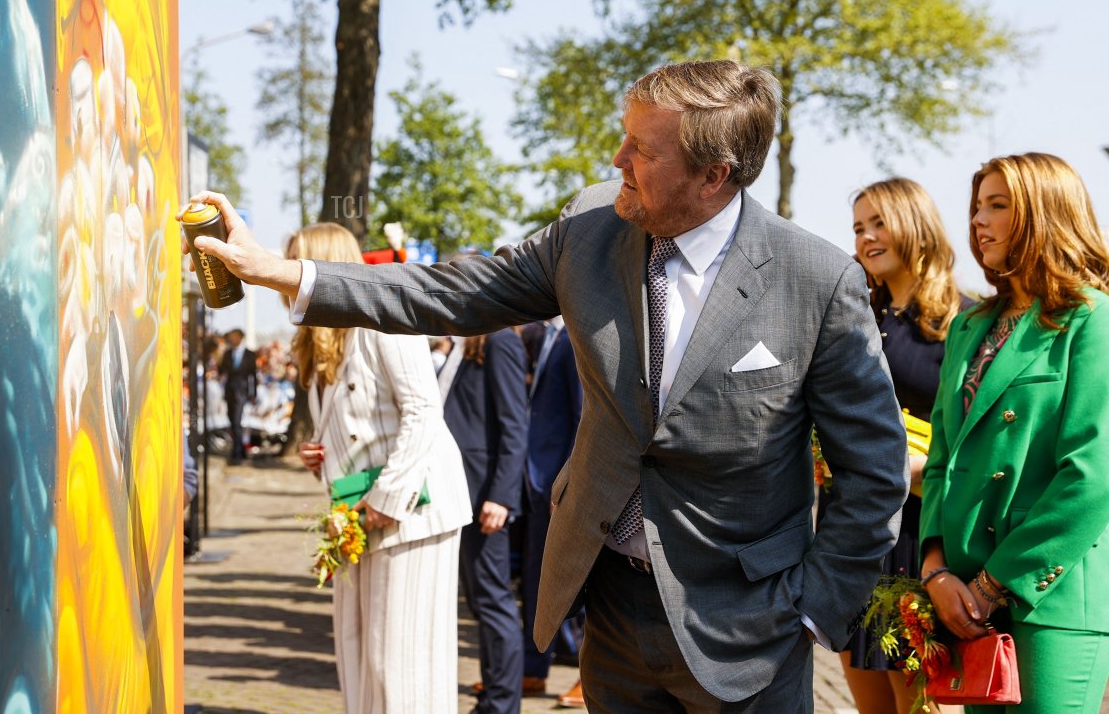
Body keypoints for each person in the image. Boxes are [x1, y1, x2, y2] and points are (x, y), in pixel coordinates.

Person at [183, 59, 909, 712]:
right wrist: (282, 272)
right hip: (612, 613)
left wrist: (813, 609)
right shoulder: (591, 226)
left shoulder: (815, 281)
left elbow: (873, 472)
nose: (617, 159)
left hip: (752, 628)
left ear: (713, 175)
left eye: (641, 150)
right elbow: (454, 293)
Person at [919, 153, 1109, 713]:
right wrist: (936, 569)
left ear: (1044, 212)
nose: (978, 220)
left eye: (997, 206)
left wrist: (990, 586)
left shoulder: (1091, 317)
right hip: (969, 597)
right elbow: (941, 457)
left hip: (1046, 597)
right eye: (977, 206)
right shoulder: (970, 324)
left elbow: (1093, 475)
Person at [284, 223, 472, 714]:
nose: (284, 279)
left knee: (401, 665)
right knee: (359, 657)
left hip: (412, 514)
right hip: (357, 516)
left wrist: (386, 500)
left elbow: (423, 410)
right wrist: (319, 455)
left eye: (293, 265)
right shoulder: (320, 344)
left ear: (322, 269)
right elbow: (358, 423)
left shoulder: (382, 319)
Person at [828, 178, 970, 714]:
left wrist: (923, 468)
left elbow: (977, 437)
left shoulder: (961, 320)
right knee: (869, 699)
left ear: (915, 223)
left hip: (917, 530)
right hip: (849, 529)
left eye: (878, 223)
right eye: (859, 228)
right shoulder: (853, 316)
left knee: (917, 703)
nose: (866, 238)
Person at [439, 331, 530, 714]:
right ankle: (493, 695)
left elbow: (514, 425)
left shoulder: (499, 342)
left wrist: (501, 497)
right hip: (459, 492)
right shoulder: (462, 346)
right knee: (479, 602)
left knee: (494, 602)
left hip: (484, 498)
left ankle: (502, 704)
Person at [519, 317, 586, 706]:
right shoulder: (549, 334)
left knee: (574, 582)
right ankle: (532, 669)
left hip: (558, 483)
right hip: (533, 479)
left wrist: (570, 480)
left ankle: (585, 671)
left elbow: (583, 418)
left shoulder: (576, 334)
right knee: (534, 579)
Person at [219, 328, 257, 465]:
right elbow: (221, 370)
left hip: (242, 392)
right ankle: (241, 450)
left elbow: (253, 376)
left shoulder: (250, 354)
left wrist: (253, 393)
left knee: (236, 421)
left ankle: (236, 454)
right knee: (232, 421)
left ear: (241, 338)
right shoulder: (227, 353)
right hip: (229, 390)